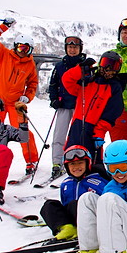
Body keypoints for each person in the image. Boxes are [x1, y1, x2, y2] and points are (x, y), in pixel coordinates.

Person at [0, 18, 40, 174]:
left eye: (27, 49)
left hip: (15, 104)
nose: (24, 51)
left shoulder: (29, 64)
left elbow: (32, 84)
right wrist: (4, 26)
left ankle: (31, 161)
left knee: (24, 132)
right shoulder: (4, 55)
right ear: (15, 46)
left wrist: (26, 97)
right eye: (22, 47)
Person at [62, 51, 127, 169]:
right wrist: (81, 69)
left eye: (113, 66)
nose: (108, 68)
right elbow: (67, 80)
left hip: (94, 129)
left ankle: (93, 181)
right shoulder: (87, 81)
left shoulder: (114, 87)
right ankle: (73, 180)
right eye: (106, 63)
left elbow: (112, 112)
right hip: (77, 125)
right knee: (72, 156)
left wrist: (100, 132)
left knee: (91, 160)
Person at [39, 145, 109, 241]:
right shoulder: (66, 183)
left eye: (80, 163)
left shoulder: (98, 181)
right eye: (72, 164)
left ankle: (84, 231)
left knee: (75, 204)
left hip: (93, 220)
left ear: (87, 163)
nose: (76, 167)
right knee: (49, 205)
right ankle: (67, 228)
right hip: (73, 218)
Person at [47, 36, 87, 180]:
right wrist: (53, 99)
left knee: (78, 135)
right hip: (63, 105)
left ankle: (79, 161)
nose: (72, 50)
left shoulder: (84, 65)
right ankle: (57, 163)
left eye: (75, 48)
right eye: (70, 47)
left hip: (79, 105)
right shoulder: (59, 66)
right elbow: (53, 84)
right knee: (59, 135)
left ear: (79, 49)